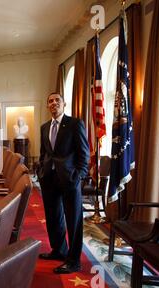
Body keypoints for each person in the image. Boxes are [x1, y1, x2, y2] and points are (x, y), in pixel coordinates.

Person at [37, 93, 89, 274]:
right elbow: (44, 153)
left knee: (73, 219)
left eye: (57, 100)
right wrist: (40, 171)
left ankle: (74, 260)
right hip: (49, 179)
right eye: (50, 101)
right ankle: (59, 250)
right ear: (47, 106)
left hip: (69, 179)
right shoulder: (44, 127)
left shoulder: (75, 124)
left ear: (64, 104)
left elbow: (84, 153)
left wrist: (79, 175)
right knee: (53, 217)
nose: (53, 103)